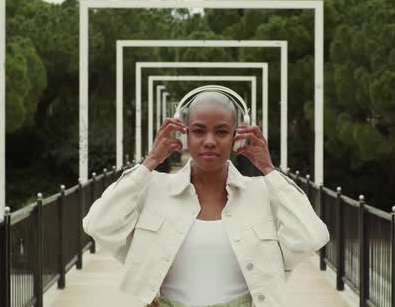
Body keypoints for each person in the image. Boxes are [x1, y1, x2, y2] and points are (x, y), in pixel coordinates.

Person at [83, 91, 329, 307]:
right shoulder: (154, 189)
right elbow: (98, 225)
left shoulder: (263, 193)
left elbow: (311, 237)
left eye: (221, 131)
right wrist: (150, 162)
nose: (210, 141)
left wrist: (269, 170)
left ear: (237, 136)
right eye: (199, 131)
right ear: (184, 135)